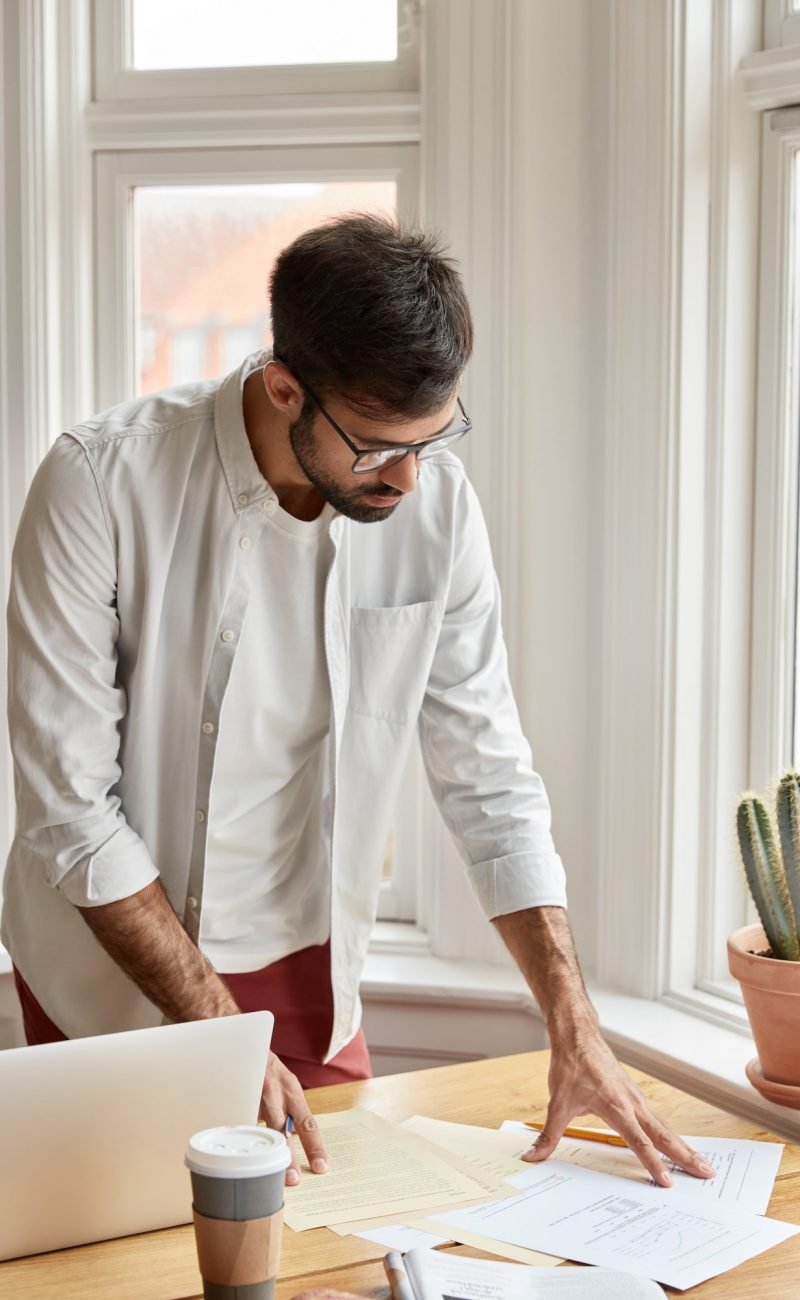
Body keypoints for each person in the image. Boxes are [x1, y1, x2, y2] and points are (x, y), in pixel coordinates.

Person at [2, 214, 714, 1191]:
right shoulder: (96, 481)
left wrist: (571, 1020)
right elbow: (70, 812)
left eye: (434, 437)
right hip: (109, 969)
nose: (410, 477)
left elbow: (487, 772)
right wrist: (214, 1033)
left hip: (311, 966)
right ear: (283, 385)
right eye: (379, 447)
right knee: (131, 1265)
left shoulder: (435, 507)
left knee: (352, 1252)